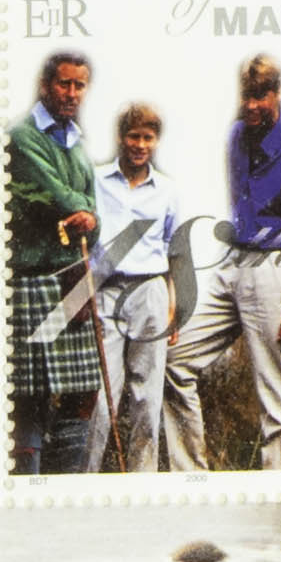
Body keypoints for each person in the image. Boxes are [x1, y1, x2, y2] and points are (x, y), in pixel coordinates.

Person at [202, 46, 281, 468]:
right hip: (233, 262)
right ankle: (189, 476)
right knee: (176, 361)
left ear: (277, 94)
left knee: (279, 404)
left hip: (275, 269)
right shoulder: (236, 137)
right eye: (247, 95)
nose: (252, 105)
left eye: (261, 95)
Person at [0, 45, 108, 474]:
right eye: (65, 84)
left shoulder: (77, 144)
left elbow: (93, 219)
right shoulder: (22, 138)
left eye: (80, 86)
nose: (72, 93)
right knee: (29, 397)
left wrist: (87, 217)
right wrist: (81, 211)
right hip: (34, 280)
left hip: (73, 277)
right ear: (45, 85)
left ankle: (65, 482)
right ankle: (29, 486)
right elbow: (56, 198)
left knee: (84, 391)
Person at [88, 96, 198, 471]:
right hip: (106, 291)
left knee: (147, 397)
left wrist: (174, 308)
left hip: (150, 293)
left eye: (148, 137)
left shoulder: (167, 191)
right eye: (133, 136)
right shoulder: (96, 181)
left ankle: (142, 479)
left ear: (156, 141)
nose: (140, 144)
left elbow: (174, 251)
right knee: (101, 396)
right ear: (121, 137)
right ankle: (84, 478)